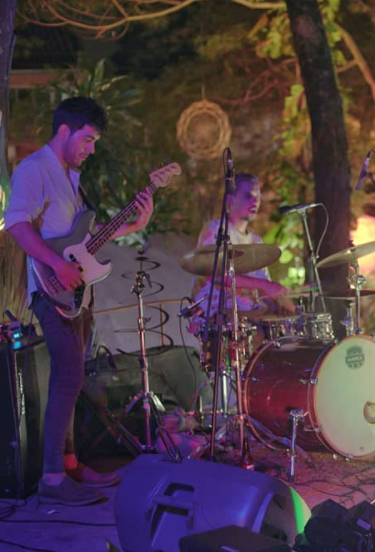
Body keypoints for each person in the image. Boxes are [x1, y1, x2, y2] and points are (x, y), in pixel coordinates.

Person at [3, 97, 154, 505]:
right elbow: (16, 223)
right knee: (66, 379)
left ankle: (69, 465)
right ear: (65, 131)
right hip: (51, 290)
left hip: (76, 292)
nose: (91, 149)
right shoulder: (35, 169)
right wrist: (57, 265)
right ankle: (53, 478)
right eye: (87, 140)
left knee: (71, 381)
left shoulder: (71, 177)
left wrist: (134, 224)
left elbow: (84, 243)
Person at [190, 172, 292, 325]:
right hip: (215, 311)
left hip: (248, 312)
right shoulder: (216, 229)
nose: (255, 201)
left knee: (282, 328)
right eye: (248, 195)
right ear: (231, 199)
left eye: (258, 196)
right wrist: (265, 285)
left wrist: (278, 305)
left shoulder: (256, 241)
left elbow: (263, 285)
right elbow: (217, 275)